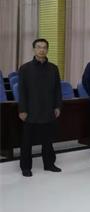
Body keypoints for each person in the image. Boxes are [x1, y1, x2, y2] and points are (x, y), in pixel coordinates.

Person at [18, 39, 63, 177]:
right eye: (38, 47)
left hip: (48, 109)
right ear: (34, 49)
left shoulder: (53, 68)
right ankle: (26, 167)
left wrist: (57, 106)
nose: (41, 50)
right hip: (30, 110)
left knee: (47, 140)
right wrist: (22, 110)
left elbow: (57, 89)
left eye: (44, 47)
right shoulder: (25, 68)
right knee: (27, 141)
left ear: (47, 50)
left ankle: (49, 164)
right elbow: (22, 91)